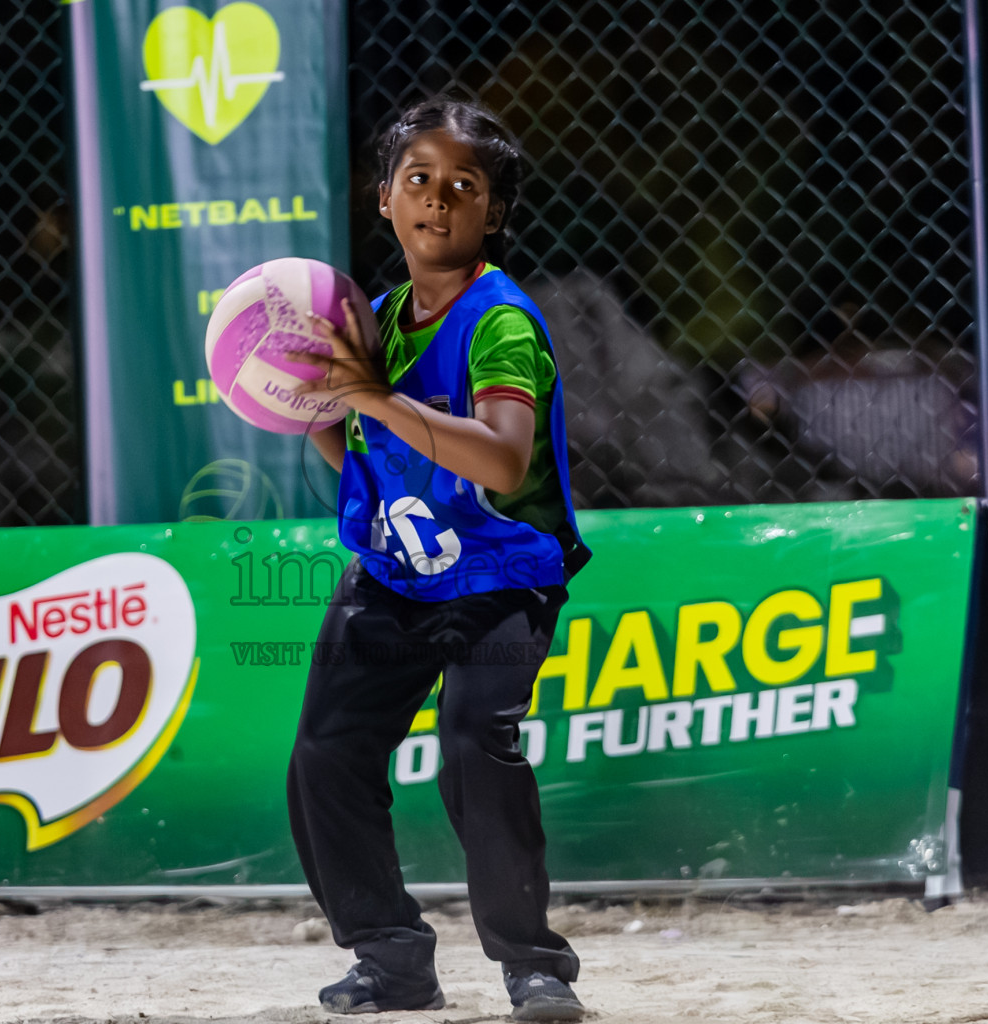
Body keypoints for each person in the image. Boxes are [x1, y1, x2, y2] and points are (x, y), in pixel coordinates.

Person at [284, 98, 593, 1022]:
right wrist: (312, 409)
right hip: (395, 571)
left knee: (472, 742)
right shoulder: (374, 320)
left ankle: (533, 966)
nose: (438, 197)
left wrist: (375, 398)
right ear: (384, 199)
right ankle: (390, 960)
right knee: (326, 754)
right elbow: (355, 452)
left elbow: (501, 461)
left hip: (501, 574)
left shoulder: (500, 322)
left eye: (465, 185)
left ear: (493, 213)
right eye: (418, 179)